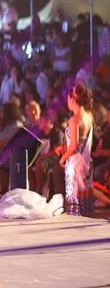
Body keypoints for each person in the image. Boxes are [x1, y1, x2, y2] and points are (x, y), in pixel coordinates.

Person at [57, 82, 94, 215]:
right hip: (86, 162)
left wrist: (63, 158)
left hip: (75, 164)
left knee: (75, 201)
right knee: (84, 200)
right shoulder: (89, 116)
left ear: (72, 99)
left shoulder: (74, 119)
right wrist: (63, 148)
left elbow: (74, 146)